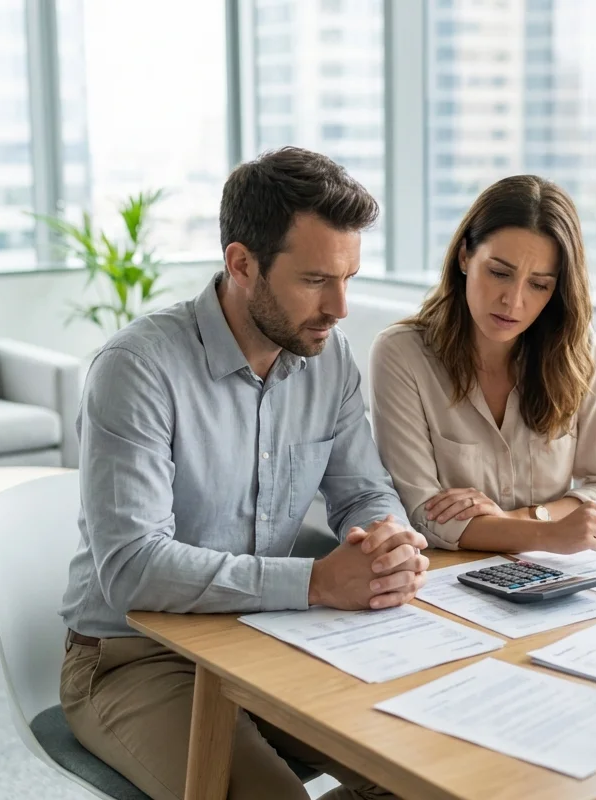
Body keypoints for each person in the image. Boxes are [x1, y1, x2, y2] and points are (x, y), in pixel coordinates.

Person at [59, 147, 429, 800]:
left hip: (265, 638)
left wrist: (387, 541)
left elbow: (363, 490)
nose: (340, 306)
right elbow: (132, 569)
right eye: (316, 280)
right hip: (135, 658)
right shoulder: (137, 369)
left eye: (349, 277)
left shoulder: (327, 358)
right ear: (241, 264)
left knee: (422, 768)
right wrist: (316, 582)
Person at [369, 175, 596, 555]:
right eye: (499, 273)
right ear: (465, 256)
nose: (513, 302)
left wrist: (519, 519)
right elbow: (421, 515)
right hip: (450, 578)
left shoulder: (576, 348)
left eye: (539, 285)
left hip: (557, 577)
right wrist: (552, 533)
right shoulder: (401, 354)